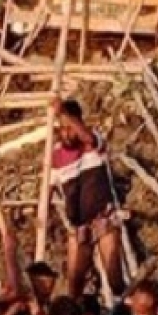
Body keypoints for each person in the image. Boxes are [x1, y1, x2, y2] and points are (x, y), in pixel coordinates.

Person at [48, 98, 125, 301]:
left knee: (114, 276)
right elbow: (48, 188)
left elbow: (87, 137)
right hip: (79, 223)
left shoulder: (92, 143)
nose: (66, 133)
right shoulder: (55, 155)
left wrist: (62, 112)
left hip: (103, 217)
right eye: (62, 128)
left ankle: (125, 310)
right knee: (75, 280)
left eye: (70, 127)